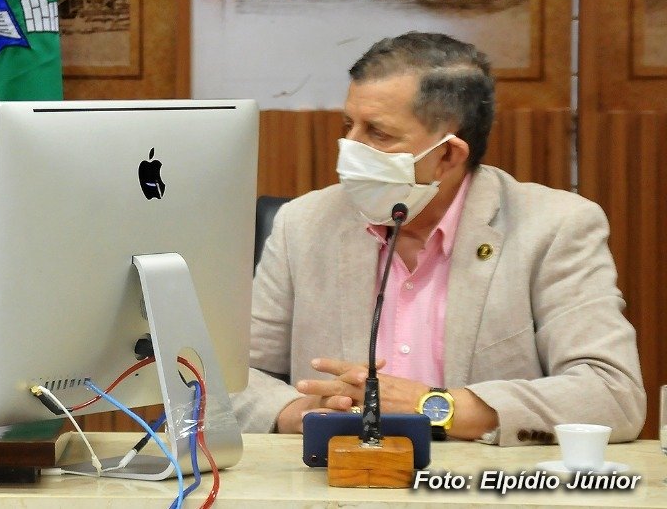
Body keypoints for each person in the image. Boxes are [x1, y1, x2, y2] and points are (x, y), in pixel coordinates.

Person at [234, 32, 646, 445]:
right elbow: (229, 380)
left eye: (378, 133)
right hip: (337, 474)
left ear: (448, 155)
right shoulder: (303, 224)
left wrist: (432, 407)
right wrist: (298, 413)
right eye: (348, 126)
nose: (349, 149)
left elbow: (612, 394)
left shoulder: (553, 227)